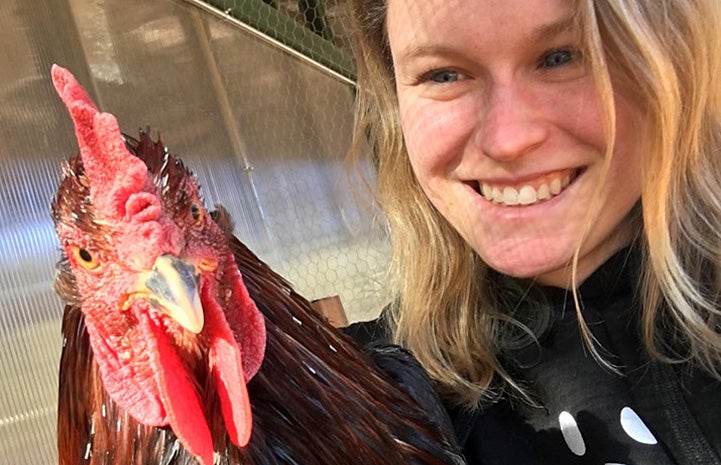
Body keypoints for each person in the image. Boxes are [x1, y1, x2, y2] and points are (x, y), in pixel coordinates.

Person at [346, 0, 721, 463]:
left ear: (676, 62)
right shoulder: (368, 400)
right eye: (443, 75)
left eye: (562, 56)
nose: (507, 140)